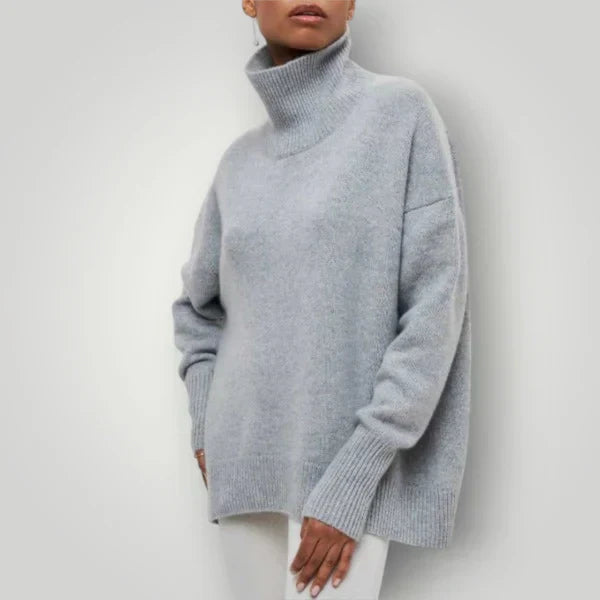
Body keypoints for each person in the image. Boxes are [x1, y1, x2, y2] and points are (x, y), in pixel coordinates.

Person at [171, 1, 471, 598]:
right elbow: (198, 311)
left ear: (352, 4)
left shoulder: (399, 113)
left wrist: (356, 474)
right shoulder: (238, 163)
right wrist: (206, 426)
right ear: (249, 1)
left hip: (350, 471)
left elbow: (436, 308)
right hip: (242, 464)